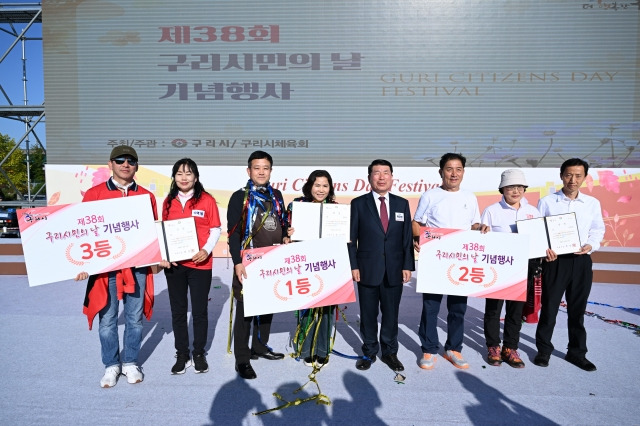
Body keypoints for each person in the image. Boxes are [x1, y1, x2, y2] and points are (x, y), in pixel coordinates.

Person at [74, 146, 157, 388]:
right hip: (105, 269)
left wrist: (158, 259)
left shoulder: (146, 196)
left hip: (136, 268)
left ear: (136, 166)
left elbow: (152, 233)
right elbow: (82, 233)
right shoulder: (94, 194)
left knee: (135, 318)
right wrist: (81, 264)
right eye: (120, 160)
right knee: (108, 319)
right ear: (110, 164)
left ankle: (130, 361)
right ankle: (111, 365)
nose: (125, 164)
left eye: (131, 160)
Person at [412, 152, 488, 370]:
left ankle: (454, 348)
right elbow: (416, 222)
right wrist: (418, 237)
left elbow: (473, 224)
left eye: (458, 169)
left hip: (461, 259)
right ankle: (428, 348)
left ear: (463, 172)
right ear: (441, 172)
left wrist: (480, 227)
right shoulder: (430, 195)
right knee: (431, 307)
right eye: (449, 169)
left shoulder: (469, 197)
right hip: (436, 258)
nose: (454, 174)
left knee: (458, 308)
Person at [533, 158, 605, 371]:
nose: (573, 180)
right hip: (555, 263)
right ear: (561, 175)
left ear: (584, 177)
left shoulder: (592, 203)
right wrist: (545, 249)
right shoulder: (547, 202)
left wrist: (590, 245)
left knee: (577, 311)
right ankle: (543, 351)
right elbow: (539, 230)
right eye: (569, 175)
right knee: (549, 310)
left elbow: (598, 229)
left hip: (581, 261)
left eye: (578, 175)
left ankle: (577, 353)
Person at [480, 169, 556, 368]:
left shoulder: (533, 211)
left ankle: (510, 348)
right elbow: (482, 239)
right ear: (502, 189)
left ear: (524, 189)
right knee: (493, 309)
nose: (515, 191)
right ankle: (493, 347)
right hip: (497, 266)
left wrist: (546, 250)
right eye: (510, 187)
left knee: (515, 311)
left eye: (519, 187)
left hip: (525, 266)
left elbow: (540, 238)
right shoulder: (491, 210)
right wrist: (483, 231)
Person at [348, 159, 414, 372]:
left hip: (395, 269)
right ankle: (369, 352)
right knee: (367, 314)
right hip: (367, 268)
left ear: (392, 177)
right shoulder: (358, 203)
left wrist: (407, 265)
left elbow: (406, 238)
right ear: (369, 178)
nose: (382, 177)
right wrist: (353, 265)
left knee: (391, 314)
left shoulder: (401, 203)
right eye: (377, 173)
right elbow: (351, 238)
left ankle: (390, 352)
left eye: (386, 172)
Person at [227, 150, 288, 379]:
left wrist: (286, 236)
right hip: (249, 264)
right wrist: (236, 262)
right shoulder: (239, 197)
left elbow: (282, 224)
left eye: (266, 168)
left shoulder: (278, 195)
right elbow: (232, 234)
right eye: (257, 168)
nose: (261, 172)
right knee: (245, 311)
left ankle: (260, 346)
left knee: (268, 306)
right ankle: (242, 359)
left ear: (271, 171)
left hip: (272, 263)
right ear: (249, 171)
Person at [159, 158, 221, 374]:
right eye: (179, 173)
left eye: (188, 173)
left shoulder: (206, 200)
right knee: (177, 311)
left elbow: (215, 229)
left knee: (199, 311)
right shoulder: (168, 201)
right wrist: (165, 255)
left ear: (196, 177)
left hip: (200, 265)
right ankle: (182, 353)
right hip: (175, 265)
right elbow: (164, 232)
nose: (184, 178)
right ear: (174, 177)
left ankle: (198, 353)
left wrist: (206, 250)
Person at [287, 170, 338, 367]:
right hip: (304, 265)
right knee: (307, 309)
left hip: (328, 265)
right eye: (317, 185)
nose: (321, 189)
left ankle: (323, 351)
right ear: (309, 185)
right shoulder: (297, 205)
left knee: (326, 311)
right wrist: (287, 232)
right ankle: (306, 349)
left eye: (325, 186)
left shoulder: (335, 209)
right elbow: (285, 232)